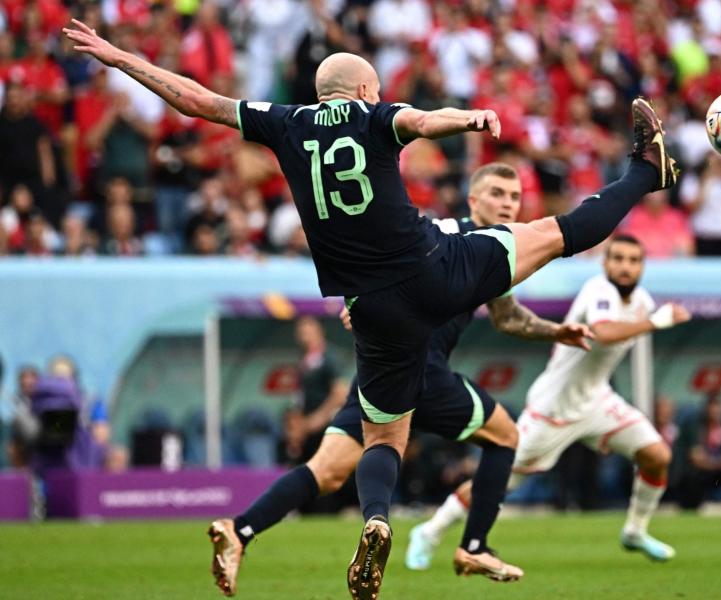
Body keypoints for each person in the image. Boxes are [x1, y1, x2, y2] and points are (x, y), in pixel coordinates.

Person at [64, 21, 678, 600]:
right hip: (433, 267)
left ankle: (377, 520)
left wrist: (120, 58)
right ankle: (645, 172)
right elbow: (420, 121)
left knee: (383, 436)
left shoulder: (285, 123)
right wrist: (465, 118)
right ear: (362, 90)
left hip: (371, 305)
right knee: (559, 232)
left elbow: (196, 100)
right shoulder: (373, 113)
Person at [207, 162, 591, 593]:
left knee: (326, 470)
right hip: (424, 373)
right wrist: (361, 303)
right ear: (473, 199)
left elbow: (507, 317)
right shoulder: (445, 234)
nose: (507, 202)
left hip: (381, 376)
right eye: (497, 193)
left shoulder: (496, 251)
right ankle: (475, 544)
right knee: (505, 436)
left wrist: (554, 330)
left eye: (514, 197)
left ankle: (239, 531)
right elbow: (390, 264)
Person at [407, 235, 691, 567]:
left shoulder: (641, 300)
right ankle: (429, 531)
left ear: (642, 266)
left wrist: (651, 319)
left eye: (633, 260)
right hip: (553, 410)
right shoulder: (598, 290)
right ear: (605, 262)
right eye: (618, 258)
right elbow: (602, 333)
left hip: (597, 401)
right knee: (499, 481)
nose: (625, 267)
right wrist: (657, 321)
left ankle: (634, 531)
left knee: (656, 455)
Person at [675, 394, 721, 510]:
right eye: (712, 411)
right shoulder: (695, 429)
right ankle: (692, 508)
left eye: (718, 411)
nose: (715, 414)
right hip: (704, 472)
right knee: (693, 475)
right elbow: (697, 459)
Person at [292, 316, 350, 455]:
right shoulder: (304, 359)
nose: (305, 337)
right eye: (301, 333)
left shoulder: (330, 357)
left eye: (308, 332)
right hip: (308, 428)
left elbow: (340, 394)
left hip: (327, 426)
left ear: (319, 332)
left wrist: (315, 420)